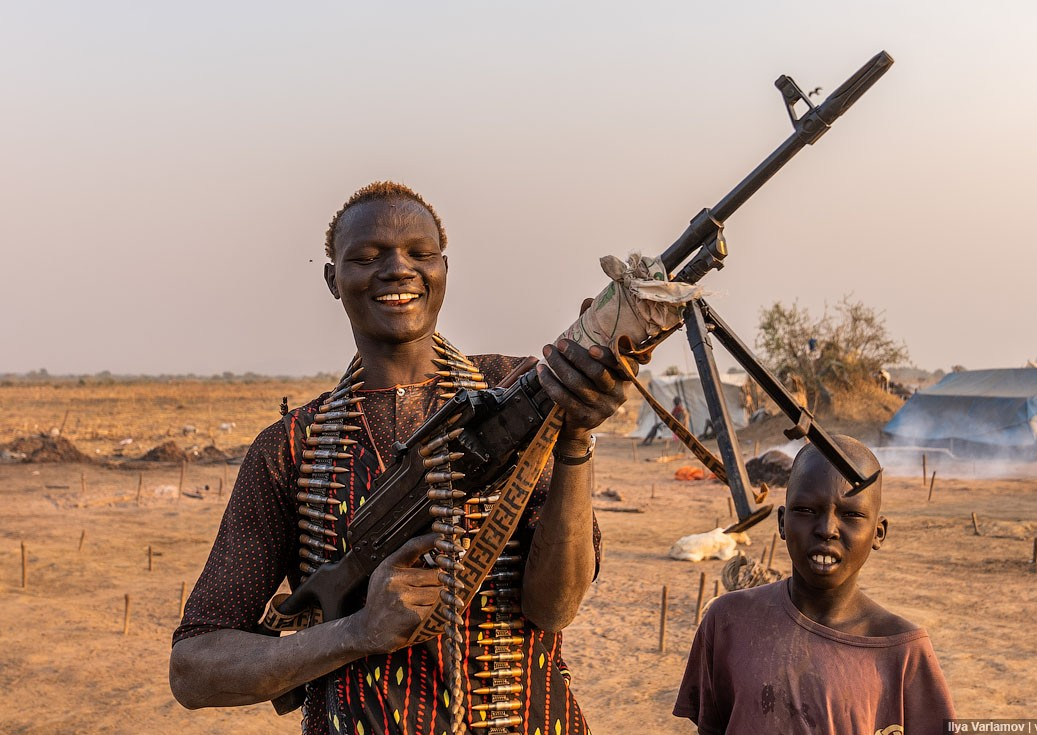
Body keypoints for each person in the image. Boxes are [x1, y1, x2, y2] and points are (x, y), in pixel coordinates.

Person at [169, 181, 628, 735]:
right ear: (332, 279)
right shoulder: (292, 447)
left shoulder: (518, 389)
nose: (397, 269)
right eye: (365, 257)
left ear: (443, 268)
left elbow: (554, 609)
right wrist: (358, 631)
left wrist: (574, 441)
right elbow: (193, 670)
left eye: (419, 252)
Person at [674, 436, 955, 734]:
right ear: (782, 522)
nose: (827, 530)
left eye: (852, 514)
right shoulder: (728, 619)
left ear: (878, 533)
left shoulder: (903, 652)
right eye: (807, 511)